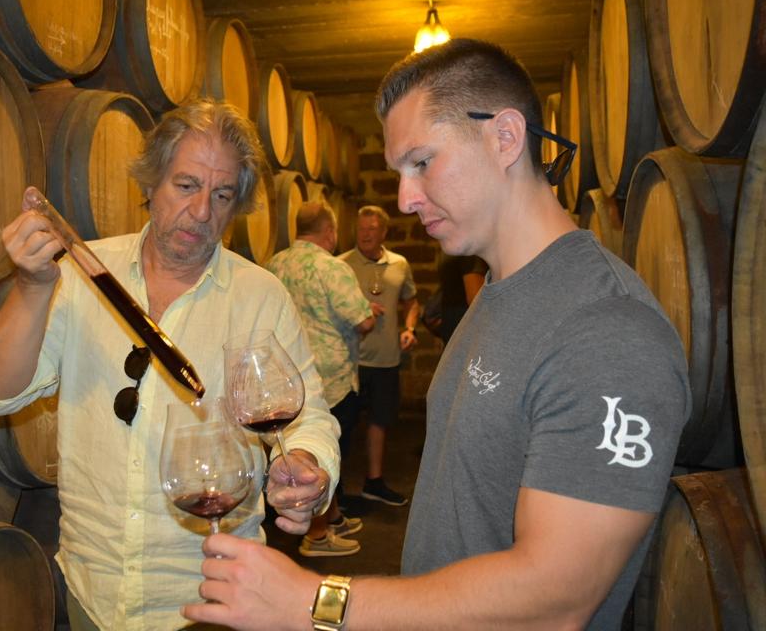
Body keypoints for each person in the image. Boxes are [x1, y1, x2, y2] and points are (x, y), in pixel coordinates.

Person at [182, 39, 689, 630]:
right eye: (400, 172)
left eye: (422, 163)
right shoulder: (499, 292)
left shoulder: (608, 331)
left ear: (505, 137)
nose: (405, 199)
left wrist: (317, 602)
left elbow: (555, 599)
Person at [0, 98, 340, 631]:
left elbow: (309, 418)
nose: (202, 211)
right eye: (186, 185)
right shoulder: (82, 273)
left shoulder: (260, 295)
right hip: (94, 591)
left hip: (215, 593)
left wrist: (306, 464)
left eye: (222, 194)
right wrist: (31, 286)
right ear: (151, 183)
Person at [266, 200, 378, 557]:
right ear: (329, 232)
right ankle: (317, 535)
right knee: (322, 455)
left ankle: (334, 517)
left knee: (295, 451)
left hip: (284, 376)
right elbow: (363, 321)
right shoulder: (333, 267)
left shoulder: (273, 264)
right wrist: (370, 312)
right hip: (330, 378)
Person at [339, 205, 420, 507]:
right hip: (350, 360)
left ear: (384, 232)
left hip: (386, 358)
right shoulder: (341, 264)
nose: (365, 234)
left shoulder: (400, 264)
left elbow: (411, 301)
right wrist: (359, 311)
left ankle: (373, 482)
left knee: (380, 420)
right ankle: (336, 490)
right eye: (361, 229)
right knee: (343, 426)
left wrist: (410, 328)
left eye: (372, 229)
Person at [421, 254, 486, 343]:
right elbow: (478, 303)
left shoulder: (451, 251)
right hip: (469, 336)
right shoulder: (470, 253)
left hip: (456, 334)